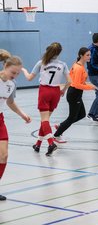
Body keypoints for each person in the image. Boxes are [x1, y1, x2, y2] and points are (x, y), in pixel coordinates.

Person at [22, 42, 71, 156]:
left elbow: (29, 78)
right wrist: (63, 90)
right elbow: (69, 81)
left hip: (44, 91)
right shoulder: (63, 64)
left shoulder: (41, 63)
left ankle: (51, 143)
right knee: (46, 120)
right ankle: (38, 144)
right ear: (59, 52)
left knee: (45, 120)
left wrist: (24, 70)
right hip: (55, 92)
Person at [0, 55, 31, 200]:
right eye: (13, 72)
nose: (15, 76)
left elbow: (10, 102)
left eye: (18, 73)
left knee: (3, 155)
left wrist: (22, 114)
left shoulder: (12, 85)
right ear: (5, 66)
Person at [53, 47, 97, 141]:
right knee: (72, 118)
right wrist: (90, 87)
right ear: (81, 56)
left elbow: (79, 82)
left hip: (76, 94)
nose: (90, 56)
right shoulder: (78, 68)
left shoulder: (79, 65)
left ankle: (61, 126)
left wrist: (89, 85)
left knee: (81, 114)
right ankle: (56, 135)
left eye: (90, 54)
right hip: (74, 94)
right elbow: (77, 85)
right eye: (87, 55)